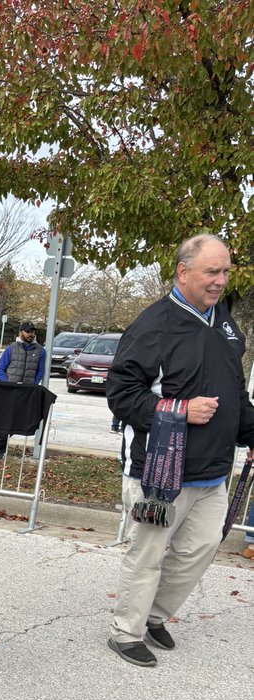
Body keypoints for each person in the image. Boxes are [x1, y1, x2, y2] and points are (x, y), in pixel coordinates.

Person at [106, 233, 254, 666]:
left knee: (201, 549)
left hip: (213, 472)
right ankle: (125, 631)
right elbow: (121, 393)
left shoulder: (225, 323)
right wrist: (180, 410)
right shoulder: (153, 325)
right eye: (212, 271)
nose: (220, 280)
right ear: (182, 271)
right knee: (147, 554)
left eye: (225, 271)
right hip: (159, 473)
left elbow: (235, 397)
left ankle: (153, 616)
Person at [0, 320, 45, 457]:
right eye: (28, 331)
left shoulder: (40, 351)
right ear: (20, 332)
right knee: (6, 420)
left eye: (32, 331)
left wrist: (33, 384)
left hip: (26, 392)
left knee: (17, 421)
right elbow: (0, 369)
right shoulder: (11, 348)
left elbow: (40, 371)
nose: (30, 334)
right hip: (10, 390)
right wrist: (8, 383)